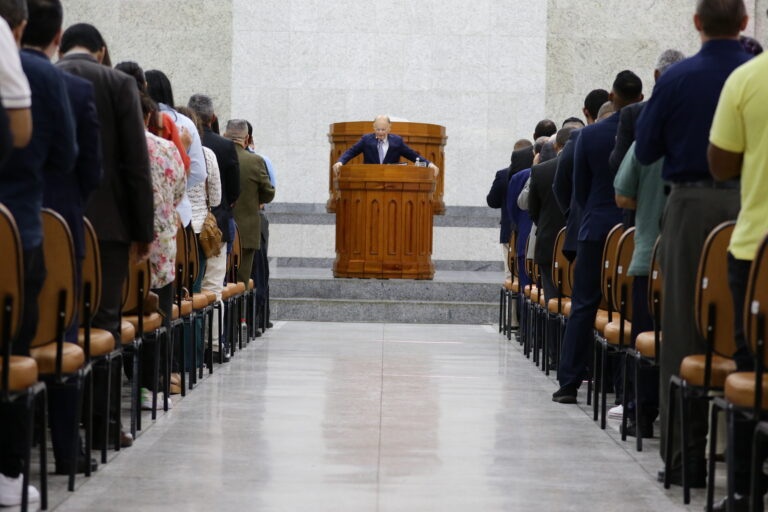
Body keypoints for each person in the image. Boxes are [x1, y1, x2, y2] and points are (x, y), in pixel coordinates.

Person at [634, 0, 750, 489]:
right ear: (745, 23)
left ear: (697, 23)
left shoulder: (677, 79)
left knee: (683, 326)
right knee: (750, 325)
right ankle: (747, 466)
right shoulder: (753, 72)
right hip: (750, 201)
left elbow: (646, 149)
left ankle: (684, 461)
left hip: (690, 205)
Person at [57, 22, 154, 450]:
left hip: (54, 222)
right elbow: (136, 163)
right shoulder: (117, 84)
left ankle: (60, 427)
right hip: (109, 227)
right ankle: (102, 425)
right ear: (101, 51)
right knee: (105, 325)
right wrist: (143, 230)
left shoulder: (42, 75)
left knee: (56, 323)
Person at [0, 0, 76, 504]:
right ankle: (8, 476)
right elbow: (67, 154)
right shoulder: (45, 78)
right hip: (22, 226)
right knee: (14, 351)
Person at [553, 71, 643, 405]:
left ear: (611, 95)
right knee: (631, 308)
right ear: (641, 97)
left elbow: (577, 190)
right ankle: (624, 387)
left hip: (594, 226)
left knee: (584, 305)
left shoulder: (587, 137)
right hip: (632, 228)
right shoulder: (645, 130)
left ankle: (569, 382)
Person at [606, 48, 685, 429]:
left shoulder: (646, 140)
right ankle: (681, 418)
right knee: (682, 338)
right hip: (687, 257)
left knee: (644, 337)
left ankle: (640, 414)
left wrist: (645, 204)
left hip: (645, 257)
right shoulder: (699, 140)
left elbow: (620, 192)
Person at [708, 39, 768, 512]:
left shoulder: (748, 78)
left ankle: (746, 492)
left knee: (752, 364)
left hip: (756, 249)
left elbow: (721, 163)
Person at [138, 93, 186, 411]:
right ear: (149, 116)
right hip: (160, 246)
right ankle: (153, 385)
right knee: (160, 313)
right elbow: (180, 188)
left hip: (122, 248)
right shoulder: (165, 148)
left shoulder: (109, 146)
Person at [188, 93, 240, 360]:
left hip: (183, 228)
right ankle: (214, 347)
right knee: (213, 287)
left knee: (187, 290)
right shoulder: (222, 146)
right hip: (214, 226)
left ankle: (190, 351)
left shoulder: (181, 144)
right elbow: (231, 193)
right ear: (213, 117)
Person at [552, 89, 609, 262]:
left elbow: (560, 185)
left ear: (586, 111)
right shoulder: (628, 133)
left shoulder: (579, 137)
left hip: (585, 229)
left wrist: (572, 212)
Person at [224, 119, 275, 284]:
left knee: (216, 283)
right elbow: (268, 194)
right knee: (240, 284)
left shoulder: (215, 155)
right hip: (246, 232)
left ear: (225, 135)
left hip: (217, 230)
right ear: (246, 139)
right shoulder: (255, 161)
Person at [528, 128, 573, 301]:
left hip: (548, 239)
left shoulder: (540, 171)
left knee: (552, 298)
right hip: (576, 239)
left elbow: (533, 210)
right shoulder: (586, 166)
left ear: (556, 146)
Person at [487, 139, 534, 280]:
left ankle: (513, 303)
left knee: (511, 276)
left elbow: (492, 201)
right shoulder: (537, 173)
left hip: (509, 231)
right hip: (532, 230)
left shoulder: (503, 175)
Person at [332, 115, 439, 176]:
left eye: (383, 129)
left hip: (391, 179)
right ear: (373, 128)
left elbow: (413, 155)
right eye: (378, 129)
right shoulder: (366, 140)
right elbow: (351, 151)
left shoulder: (397, 141)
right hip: (370, 178)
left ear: (389, 128)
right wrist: (340, 162)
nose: (380, 132)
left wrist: (429, 165)